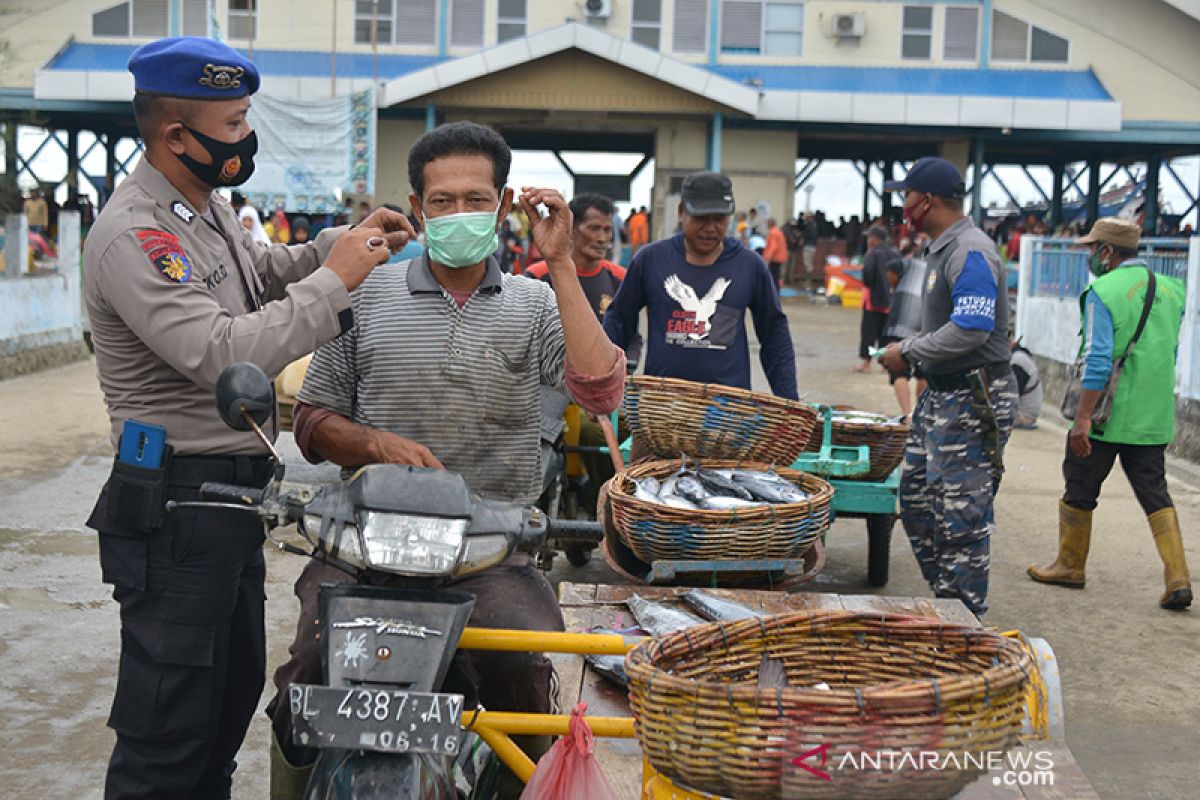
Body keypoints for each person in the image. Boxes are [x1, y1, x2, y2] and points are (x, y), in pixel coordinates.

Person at [81, 35, 412, 799]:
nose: (247, 137)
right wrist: (337, 281)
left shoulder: (201, 210)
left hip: (226, 501)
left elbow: (259, 276)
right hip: (175, 506)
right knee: (168, 735)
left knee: (223, 715)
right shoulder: (137, 235)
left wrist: (339, 245)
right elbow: (221, 347)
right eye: (234, 124)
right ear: (175, 135)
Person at [266, 121, 626, 799]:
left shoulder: (535, 302)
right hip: (364, 549)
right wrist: (375, 445)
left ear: (503, 205)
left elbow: (601, 389)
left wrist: (565, 264)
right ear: (416, 205)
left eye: (475, 199)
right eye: (442, 201)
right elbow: (313, 424)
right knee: (304, 688)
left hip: (492, 551)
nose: (459, 213)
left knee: (524, 680)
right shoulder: (366, 295)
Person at [1027, 218, 1191, 610]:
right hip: (1153, 413)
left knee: (1081, 484)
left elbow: (1098, 359)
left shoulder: (1102, 290)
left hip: (1107, 414)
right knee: (1154, 490)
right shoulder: (1172, 289)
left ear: (1107, 252)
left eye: (1091, 249)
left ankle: (1070, 565)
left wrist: (1082, 418)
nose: (1089, 256)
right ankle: (1178, 576)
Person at [880, 157, 1016, 618]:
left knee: (960, 516)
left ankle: (965, 622)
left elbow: (972, 329)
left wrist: (910, 352)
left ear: (927, 200)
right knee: (917, 500)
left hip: (973, 398)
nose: (904, 204)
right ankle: (950, 603)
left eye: (907, 196)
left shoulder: (969, 250)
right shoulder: (943, 248)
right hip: (943, 396)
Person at [604, 171, 797, 400]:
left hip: (727, 409)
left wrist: (788, 401)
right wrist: (603, 383)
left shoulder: (749, 266)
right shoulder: (651, 260)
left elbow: (774, 333)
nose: (710, 228)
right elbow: (619, 321)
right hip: (662, 406)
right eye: (701, 218)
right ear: (682, 212)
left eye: (719, 219)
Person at [525, 192, 640, 506]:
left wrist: (622, 371)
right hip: (548, 390)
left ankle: (601, 503)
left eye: (607, 230)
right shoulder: (536, 276)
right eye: (594, 228)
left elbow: (632, 338)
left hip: (603, 393)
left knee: (622, 436)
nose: (602, 238)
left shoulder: (620, 280)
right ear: (571, 227)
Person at [881, 240, 927, 419]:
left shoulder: (909, 263)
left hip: (899, 323)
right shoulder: (940, 270)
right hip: (924, 327)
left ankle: (907, 414)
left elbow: (890, 269)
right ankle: (920, 414)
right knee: (924, 372)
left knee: (899, 370)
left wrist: (895, 286)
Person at [856, 226, 899, 373]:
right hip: (890, 301)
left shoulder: (872, 254)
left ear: (874, 239)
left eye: (869, 238)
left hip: (872, 301)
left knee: (869, 333)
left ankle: (866, 362)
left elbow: (867, 275)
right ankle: (883, 364)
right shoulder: (894, 254)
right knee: (884, 335)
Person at [1009, 338, 1042, 429]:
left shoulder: (1017, 361)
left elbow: (1012, 394)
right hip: (1027, 414)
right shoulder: (1020, 357)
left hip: (1025, 415)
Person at [762, 217, 788, 289]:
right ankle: (776, 291)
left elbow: (773, 247)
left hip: (774, 258)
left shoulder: (772, 233)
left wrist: (767, 258)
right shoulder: (778, 232)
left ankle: (774, 293)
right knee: (777, 276)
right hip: (779, 257)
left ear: (769, 224)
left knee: (773, 277)